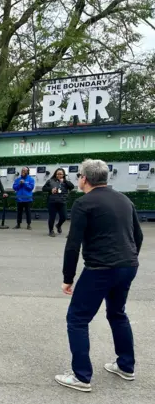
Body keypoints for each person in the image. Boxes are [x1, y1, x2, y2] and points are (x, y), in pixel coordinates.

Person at [55, 159, 143, 392]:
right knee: (117, 313)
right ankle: (126, 366)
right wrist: (129, 258)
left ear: (84, 178)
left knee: (77, 319)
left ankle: (81, 376)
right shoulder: (124, 199)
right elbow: (138, 235)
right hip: (127, 266)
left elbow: (73, 245)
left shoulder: (84, 204)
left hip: (100, 269)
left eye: (79, 175)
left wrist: (68, 277)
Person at [42, 168, 75, 237]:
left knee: (64, 217)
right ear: (55, 174)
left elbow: (72, 187)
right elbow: (43, 188)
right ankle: (51, 231)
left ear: (63, 175)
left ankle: (58, 225)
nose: (59, 175)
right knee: (52, 217)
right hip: (52, 202)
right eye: (57, 174)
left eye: (61, 174)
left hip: (62, 202)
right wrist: (51, 190)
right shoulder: (50, 181)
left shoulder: (65, 182)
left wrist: (65, 181)